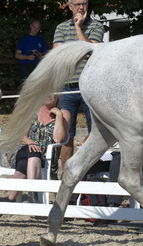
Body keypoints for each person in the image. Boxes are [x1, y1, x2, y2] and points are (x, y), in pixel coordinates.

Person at [53, 0, 104, 172]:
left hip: (90, 87)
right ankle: (66, 177)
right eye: (77, 4)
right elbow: (58, 56)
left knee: (95, 134)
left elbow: (92, 52)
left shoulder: (96, 26)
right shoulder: (61, 28)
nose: (81, 7)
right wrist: (83, 49)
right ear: (69, 6)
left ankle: (93, 181)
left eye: (84, 3)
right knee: (67, 135)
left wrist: (78, 28)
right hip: (68, 87)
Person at [7, 94, 69, 203]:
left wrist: (58, 115)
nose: (49, 94)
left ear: (58, 96)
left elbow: (58, 139)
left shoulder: (64, 114)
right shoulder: (32, 112)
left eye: (53, 92)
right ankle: (32, 193)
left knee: (24, 164)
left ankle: (10, 199)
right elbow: (22, 135)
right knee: (32, 151)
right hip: (25, 149)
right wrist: (30, 142)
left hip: (46, 157)